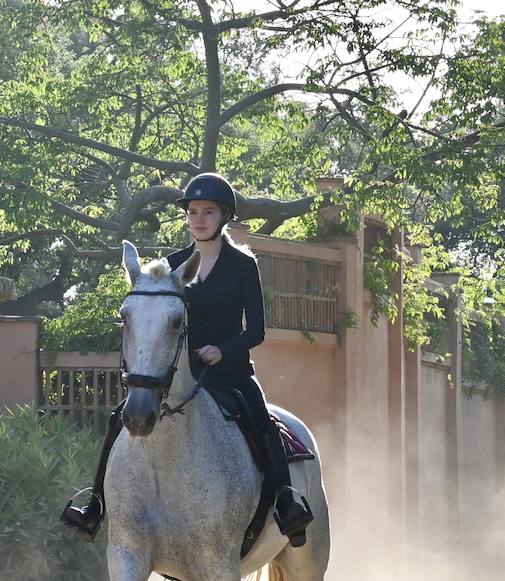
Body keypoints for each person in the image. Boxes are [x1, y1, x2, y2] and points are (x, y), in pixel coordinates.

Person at [60, 172, 314, 543]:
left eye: (207, 212)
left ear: (224, 216)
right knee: (120, 417)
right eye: (192, 211)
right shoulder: (171, 263)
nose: (198, 218)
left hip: (231, 374)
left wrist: (220, 349)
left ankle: (286, 502)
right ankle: (95, 505)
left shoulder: (243, 266)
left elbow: (255, 331)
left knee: (263, 422)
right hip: (181, 374)